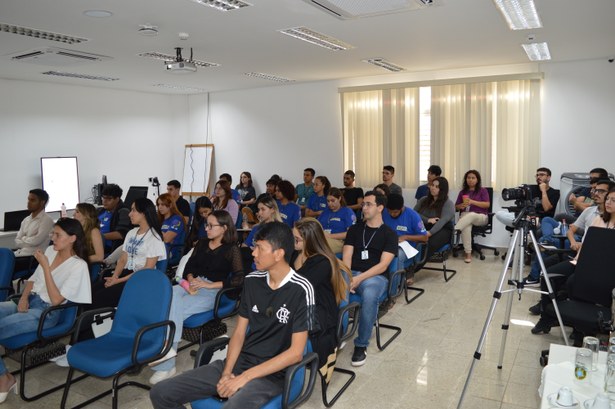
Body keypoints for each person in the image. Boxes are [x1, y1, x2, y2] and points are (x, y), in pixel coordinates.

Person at [149, 222, 315, 409]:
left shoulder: (302, 289)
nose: (253, 253)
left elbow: (296, 353)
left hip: (272, 375)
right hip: (239, 362)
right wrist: (227, 372)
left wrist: (244, 378)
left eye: (259, 248)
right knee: (161, 392)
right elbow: (239, 332)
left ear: (279, 254)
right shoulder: (252, 281)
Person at [0, 218, 91, 403]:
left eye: (58, 235)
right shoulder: (50, 250)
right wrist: (24, 298)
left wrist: (46, 267)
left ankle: (4, 379)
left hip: (47, 312)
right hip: (30, 301)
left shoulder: (78, 265)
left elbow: (57, 300)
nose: (53, 238)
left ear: (73, 238)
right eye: (53, 233)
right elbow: (33, 280)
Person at [149, 210, 244, 384]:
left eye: (210, 225)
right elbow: (188, 267)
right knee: (165, 300)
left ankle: (167, 362)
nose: (206, 228)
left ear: (224, 228)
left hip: (211, 290)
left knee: (171, 308)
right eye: (206, 224)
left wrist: (209, 285)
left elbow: (239, 279)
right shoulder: (201, 243)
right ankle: (166, 349)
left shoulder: (232, 249)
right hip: (189, 285)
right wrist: (191, 279)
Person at [531, 186, 615, 335]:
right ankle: (547, 317)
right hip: (581, 260)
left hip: (602, 269)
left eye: (613, 200)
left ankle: (579, 327)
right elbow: (588, 242)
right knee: (547, 275)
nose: (608, 202)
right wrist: (578, 247)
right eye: (608, 199)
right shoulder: (599, 219)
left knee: (572, 283)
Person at [342, 191, 397, 367]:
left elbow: (383, 266)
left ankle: (361, 344)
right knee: (335, 287)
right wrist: (349, 277)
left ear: (380, 208)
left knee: (370, 294)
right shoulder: (355, 229)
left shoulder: (389, 234)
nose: (363, 207)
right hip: (352, 274)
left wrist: (359, 279)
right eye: (363, 204)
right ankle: (338, 335)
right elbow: (347, 257)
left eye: (368, 204)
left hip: (375, 277)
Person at [291, 218, 349, 372]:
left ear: (309, 241)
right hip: (302, 306)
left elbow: (298, 288)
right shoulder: (295, 255)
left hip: (319, 313)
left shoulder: (322, 262)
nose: (293, 241)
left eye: (297, 239)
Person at [88, 198, 166, 310]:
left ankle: (91, 324)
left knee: (98, 298)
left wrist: (118, 281)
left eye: (133, 210)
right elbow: (123, 259)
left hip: (142, 279)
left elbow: (147, 269)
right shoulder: (131, 233)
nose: (130, 214)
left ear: (144, 213)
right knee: (90, 292)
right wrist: (114, 276)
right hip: (125, 273)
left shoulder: (154, 237)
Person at [495, 167, 560, 227]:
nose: (538, 177)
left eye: (542, 175)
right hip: (525, 216)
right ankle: (522, 223)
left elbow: (547, 208)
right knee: (499, 214)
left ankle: (522, 223)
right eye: (537, 175)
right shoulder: (529, 188)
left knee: (529, 221)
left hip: (541, 220)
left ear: (548, 177)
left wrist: (543, 191)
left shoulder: (555, 193)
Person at [383, 193, 428, 272]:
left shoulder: (413, 216)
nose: (392, 214)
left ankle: (395, 283)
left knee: (397, 255)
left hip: (407, 248)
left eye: (395, 212)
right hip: (388, 244)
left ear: (402, 208)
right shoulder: (384, 212)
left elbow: (425, 237)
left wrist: (406, 237)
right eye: (389, 211)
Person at [13, 189, 54, 274]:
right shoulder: (26, 220)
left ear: (42, 202)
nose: (28, 202)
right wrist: (28, 239)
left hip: (33, 259)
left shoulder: (47, 220)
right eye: (28, 199)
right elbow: (16, 241)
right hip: (21, 255)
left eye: (32, 200)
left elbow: (37, 241)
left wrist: (23, 238)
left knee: (4, 264)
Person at [414, 177, 456, 260]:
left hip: (443, 229)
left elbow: (442, 221)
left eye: (437, 187)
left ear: (442, 190)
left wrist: (429, 233)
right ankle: (407, 264)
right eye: (432, 185)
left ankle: (415, 266)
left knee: (429, 244)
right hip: (425, 226)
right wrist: (427, 220)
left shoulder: (448, 204)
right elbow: (413, 214)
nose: (433, 188)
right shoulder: (423, 200)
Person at [453, 170, 490, 263]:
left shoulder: (483, 190)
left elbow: (487, 205)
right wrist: (460, 206)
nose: (470, 180)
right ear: (466, 179)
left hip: (481, 217)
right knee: (466, 227)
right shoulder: (462, 192)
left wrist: (472, 202)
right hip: (465, 217)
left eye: (473, 178)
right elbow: (456, 206)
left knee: (471, 215)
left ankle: (455, 229)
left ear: (477, 180)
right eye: (468, 178)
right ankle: (468, 254)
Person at [317, 187, 356, 254]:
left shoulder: (347, 211)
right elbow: (316, 226)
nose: (330, 204)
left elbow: (351, 233)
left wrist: (330, 236)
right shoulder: (325, 212)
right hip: (323, 239)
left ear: (339, 198)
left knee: (319, 247)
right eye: (328, 201)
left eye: (333, 201)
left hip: (339, 241)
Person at [97, 183, 131, 255]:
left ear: (117, 199)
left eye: (109, 199)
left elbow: (121, 234)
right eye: (103, 197)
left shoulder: (123, 212)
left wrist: (98, 237)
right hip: (96, 245)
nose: (104, 201)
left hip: (109, 249)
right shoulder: (100, 211)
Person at [157, 193, 187, 266]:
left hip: (170, 252)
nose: (159, 207)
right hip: (159, 249)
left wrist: (155, 228)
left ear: (170, 205)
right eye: (158, 204)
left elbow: (167, 239)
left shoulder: (177, 220)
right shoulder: (160, 219)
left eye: (162, 205)